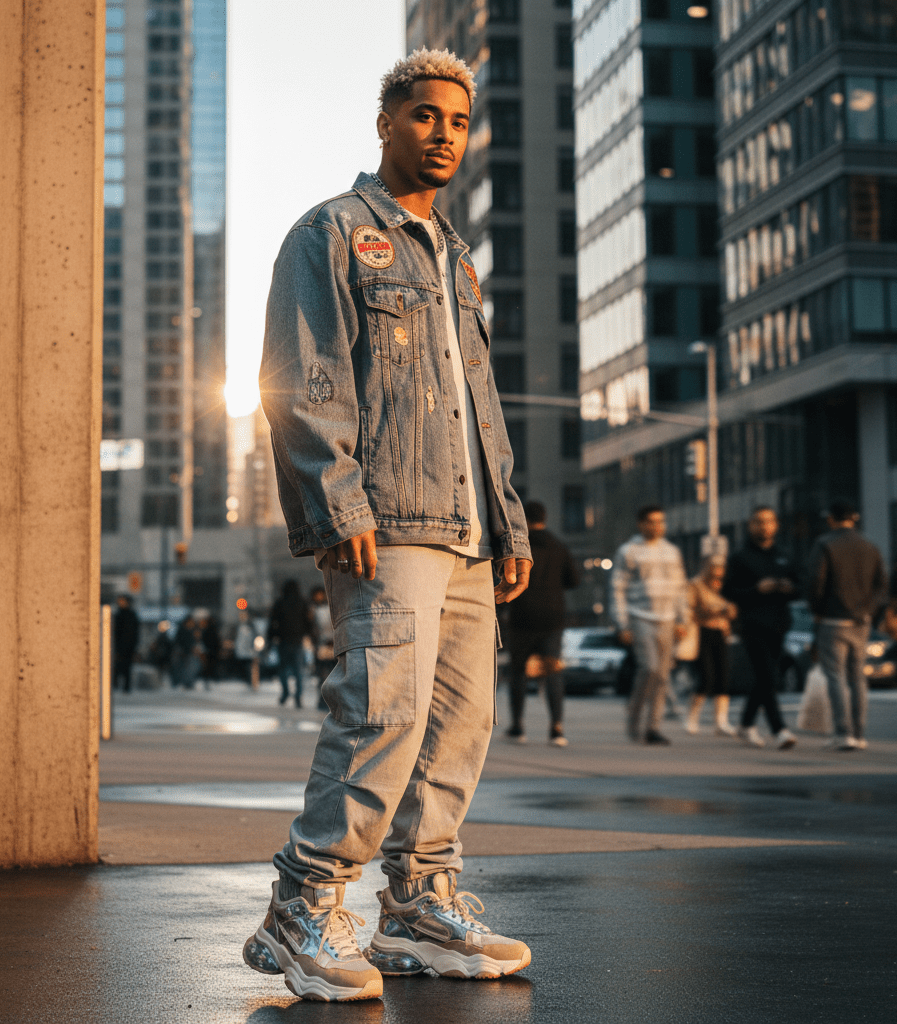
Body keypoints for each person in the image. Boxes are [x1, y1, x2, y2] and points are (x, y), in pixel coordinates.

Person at [243, 49, 533, 1002]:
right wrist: (336, 498)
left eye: (457, 121)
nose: (443, 133)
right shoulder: (332, 232)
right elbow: (302, 375)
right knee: (381, 713)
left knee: (459, 723)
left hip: (466, 528)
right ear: (386, 124)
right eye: (424, 116)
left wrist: (509, 520)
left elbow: (479, 400)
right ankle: (302, 906)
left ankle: (417, 904)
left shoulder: (456, 257)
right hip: (388, 518)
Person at [806, 499, 887, 750]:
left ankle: (843, 733)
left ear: (831, 518)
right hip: (861, 621)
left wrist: (817, 611)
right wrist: (869, 612)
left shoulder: (825, 544)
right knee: (857, 678)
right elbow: (881, 585)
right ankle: (859, 734)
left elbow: (815, 582)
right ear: (854, 518)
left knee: (835, 677)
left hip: (833, 619)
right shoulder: (870, 546)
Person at [610, 505, 688, 745]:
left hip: (667, 618)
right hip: (639, 616)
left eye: (661, 521)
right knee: (650, 668)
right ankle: (634, 715)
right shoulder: (628, 551)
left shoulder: (672, 552)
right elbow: (617, 588)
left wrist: (682, 619)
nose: (657, 526)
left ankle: (653, 727)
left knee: (663, 675)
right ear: (641, 524)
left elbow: (680, 587)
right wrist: (622, 624)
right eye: (652, 522)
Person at [723, 506, 800, 749]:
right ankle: (779, 729)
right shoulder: (739, 557)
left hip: (779, 624)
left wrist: (788, 588)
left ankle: (746, 724)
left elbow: (801, 586)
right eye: (759, 521)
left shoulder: (785, 555)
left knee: (765, 678)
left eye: (769, 521)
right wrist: (757, 589)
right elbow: (728, 591)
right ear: (751, 525)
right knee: (768, 677)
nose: (764, 526)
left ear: (776, 525)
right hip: (752, 625)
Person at [504, 500, 580, 746]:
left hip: (522, 616)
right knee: (552, 671)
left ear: (524, 519)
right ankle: (557, 728)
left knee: (518, 673)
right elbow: (574, 580)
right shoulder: (559, 545)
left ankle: (518, 727)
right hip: (552, 618)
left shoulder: (519, 546)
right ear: (545, 518)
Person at [682, 558, 738, 737]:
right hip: (701, 633)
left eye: (721, 569)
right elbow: (690, 609)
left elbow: (734, 609)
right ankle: (691, 718)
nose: (717, 574)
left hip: (721, 632)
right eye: (714, 569)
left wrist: (730, 611)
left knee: (723, 676)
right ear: (705, 568)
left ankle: (721, 722)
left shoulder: (725, 586)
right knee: (706, 677)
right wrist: (713, 611)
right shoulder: (695, 585)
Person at [267, 579, 314, 708]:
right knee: (299, 670)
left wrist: (271, 637)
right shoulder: (302, 602)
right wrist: (309, 635)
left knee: (282, 669)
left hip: (283, 641)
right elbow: (308, 622)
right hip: (298, 640)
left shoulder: (279, 602)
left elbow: (272, 621)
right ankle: (298, 696)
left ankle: (285, 692)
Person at [310, 585, 335, 711]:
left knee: (333, 675)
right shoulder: (312, 610)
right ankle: (323, 701)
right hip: (321, 647)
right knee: (322, 676)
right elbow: (313, 629)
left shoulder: (332, 608)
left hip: (333, 646)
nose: (318, 597)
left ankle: (331, 701)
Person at [111, 594, 140, 694]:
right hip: (118, 645)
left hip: (128, 646)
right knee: (117, 666)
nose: (120, 603)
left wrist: (134, 646)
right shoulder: (118, 614)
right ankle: (116, 685)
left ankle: (126, 687)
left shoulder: (131, 615)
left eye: (122, 601)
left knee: (126, 667)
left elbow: (135, 632)